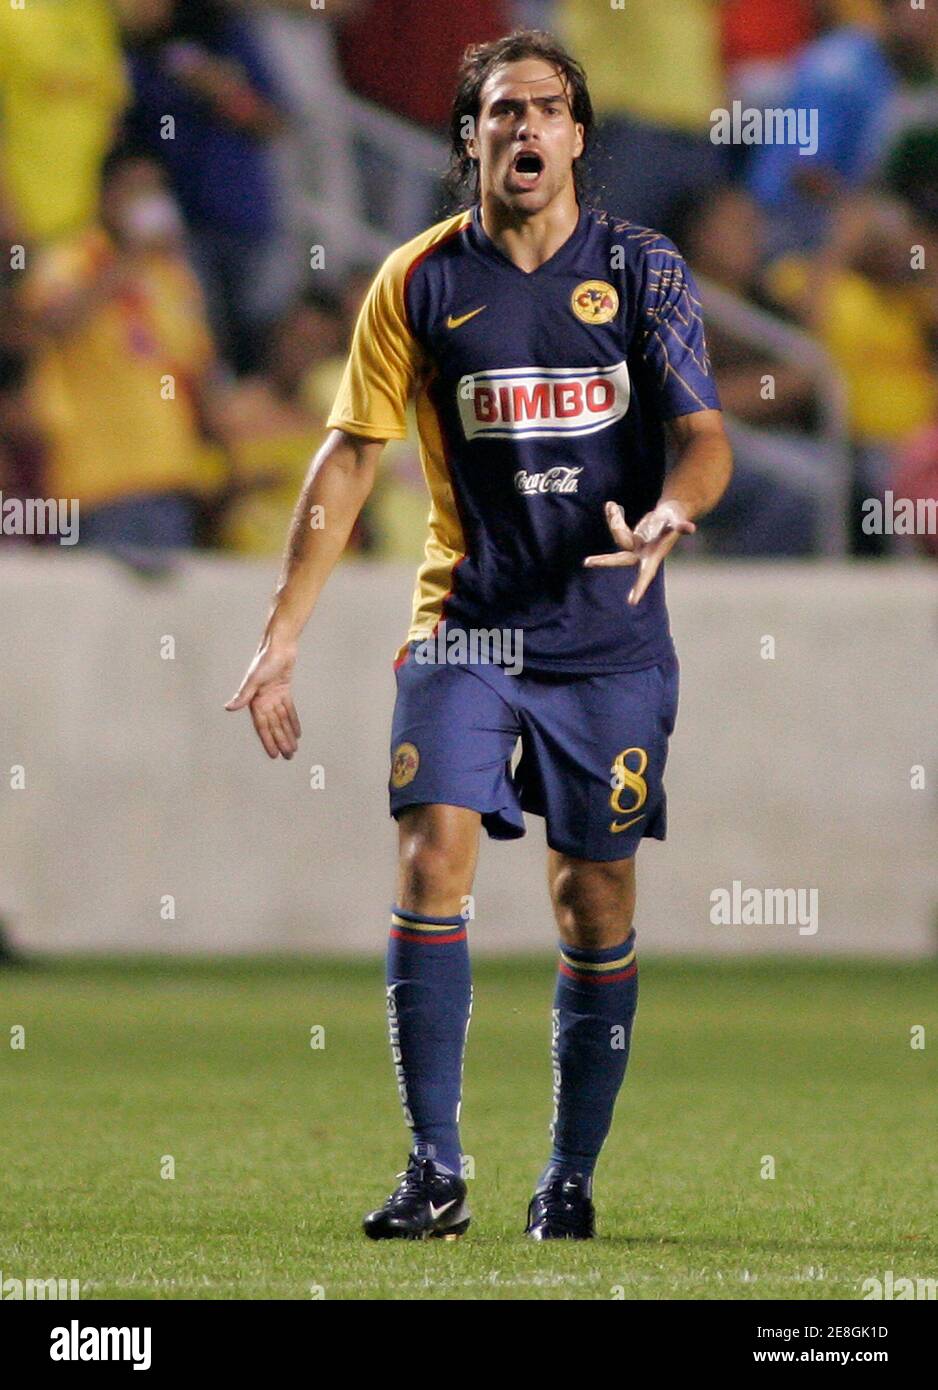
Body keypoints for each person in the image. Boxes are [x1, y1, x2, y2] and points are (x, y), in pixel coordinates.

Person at [226, 30, 732, 1241]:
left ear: (574, 136)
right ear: (470, 137)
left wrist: (673, 505)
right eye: (500, 111)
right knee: (426, 860)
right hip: (467, 629)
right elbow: (348, 459)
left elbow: (705, 434)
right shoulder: (415, 280)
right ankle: (435, 1170)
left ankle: (566, 1176)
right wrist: (279, 636)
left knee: (593, 901)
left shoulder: (644, 270)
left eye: (546, 110)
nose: (523, 130)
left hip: (607, 640)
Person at [19, 153, 226, 557]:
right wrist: (129, 259)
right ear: (106, 198)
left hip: (170, 476)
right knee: (95, 616)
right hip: (95, 480)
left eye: (156, 191)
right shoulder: (70, 259)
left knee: (161, 621)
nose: (150, 202)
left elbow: (195, 367)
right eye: (137, 190)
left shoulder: (173, 276)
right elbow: (55, 323)